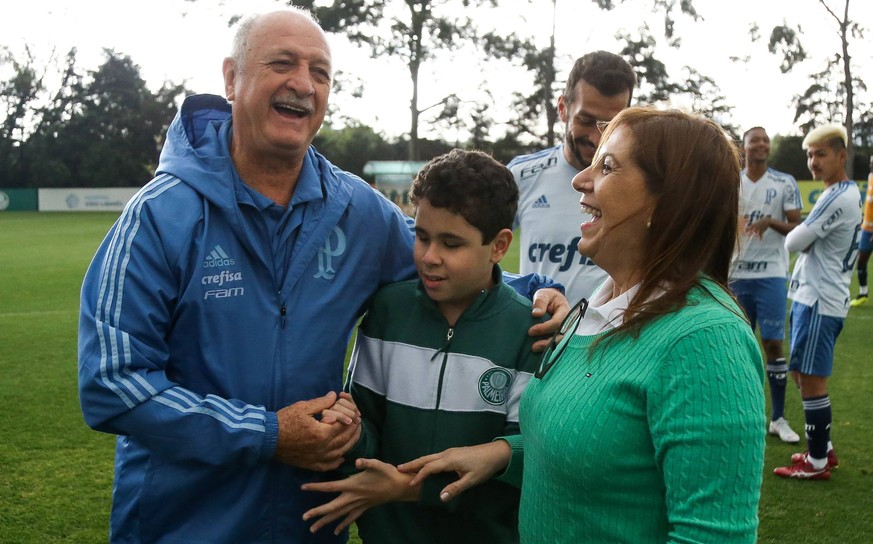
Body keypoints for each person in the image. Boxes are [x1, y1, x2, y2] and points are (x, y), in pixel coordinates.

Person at [76, 9, 567, 544]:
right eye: (282, 63)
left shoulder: (354, 209)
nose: (303, 84)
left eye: (320, 71)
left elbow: (448, 260)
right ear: (231, 78)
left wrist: (539, 294)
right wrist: (266, 435)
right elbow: (111, 383)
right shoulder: (159, 216)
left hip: (307, 520)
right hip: (184, 523)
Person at [400, 107, 767, 543]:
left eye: (607, 166)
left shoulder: (704, 339)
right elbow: (601, 451)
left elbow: (710, 536)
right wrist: (503, 454)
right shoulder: (597, 306)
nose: (580, 179)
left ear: (668, 200)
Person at [299, 149, 541, 542]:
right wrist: (348, 430)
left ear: (499, 246)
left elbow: (519, 462)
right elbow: (367, 426)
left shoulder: (528, 331)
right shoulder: (388, 310)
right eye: (421, 236)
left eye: (451, 244)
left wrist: (410, 488)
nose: (429, 258)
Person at [509, 51, 636, 303]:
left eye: (610, 125)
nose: (597, 138)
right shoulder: (520, 175)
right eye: (586, 120)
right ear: (563, 109)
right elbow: (476, 251)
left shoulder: (640, 183)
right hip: (537, 336)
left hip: (609, 337)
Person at [774, 123, 862, 480]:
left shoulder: (836, 196)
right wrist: (806, 233)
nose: (813, 161)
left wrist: (804, 233)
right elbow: (804, 236)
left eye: (821, 154)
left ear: (842, 156)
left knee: (811, 379)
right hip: (815, 296)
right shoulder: (844, 192)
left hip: (820, 300)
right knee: (800, 372)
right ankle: (822, 448)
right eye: (810, 155)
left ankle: (818, 462)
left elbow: (792, 242)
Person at [730, 126, 803, 443]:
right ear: (744, 147)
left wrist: (770, 222)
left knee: (773, 344)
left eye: (764, 140)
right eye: (754, 140)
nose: (760, 144)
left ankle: (778, 418)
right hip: (734, 275)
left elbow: (796, 228)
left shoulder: (784, 182)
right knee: (737, 348)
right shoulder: (731, 182)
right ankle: (744, 415)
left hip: (771, 273)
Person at [849, 154, 873, 307]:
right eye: (871, 162)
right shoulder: (871, 176)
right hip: (866, 228)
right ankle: (863, 293)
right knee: (862, 259)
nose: (871, 165)